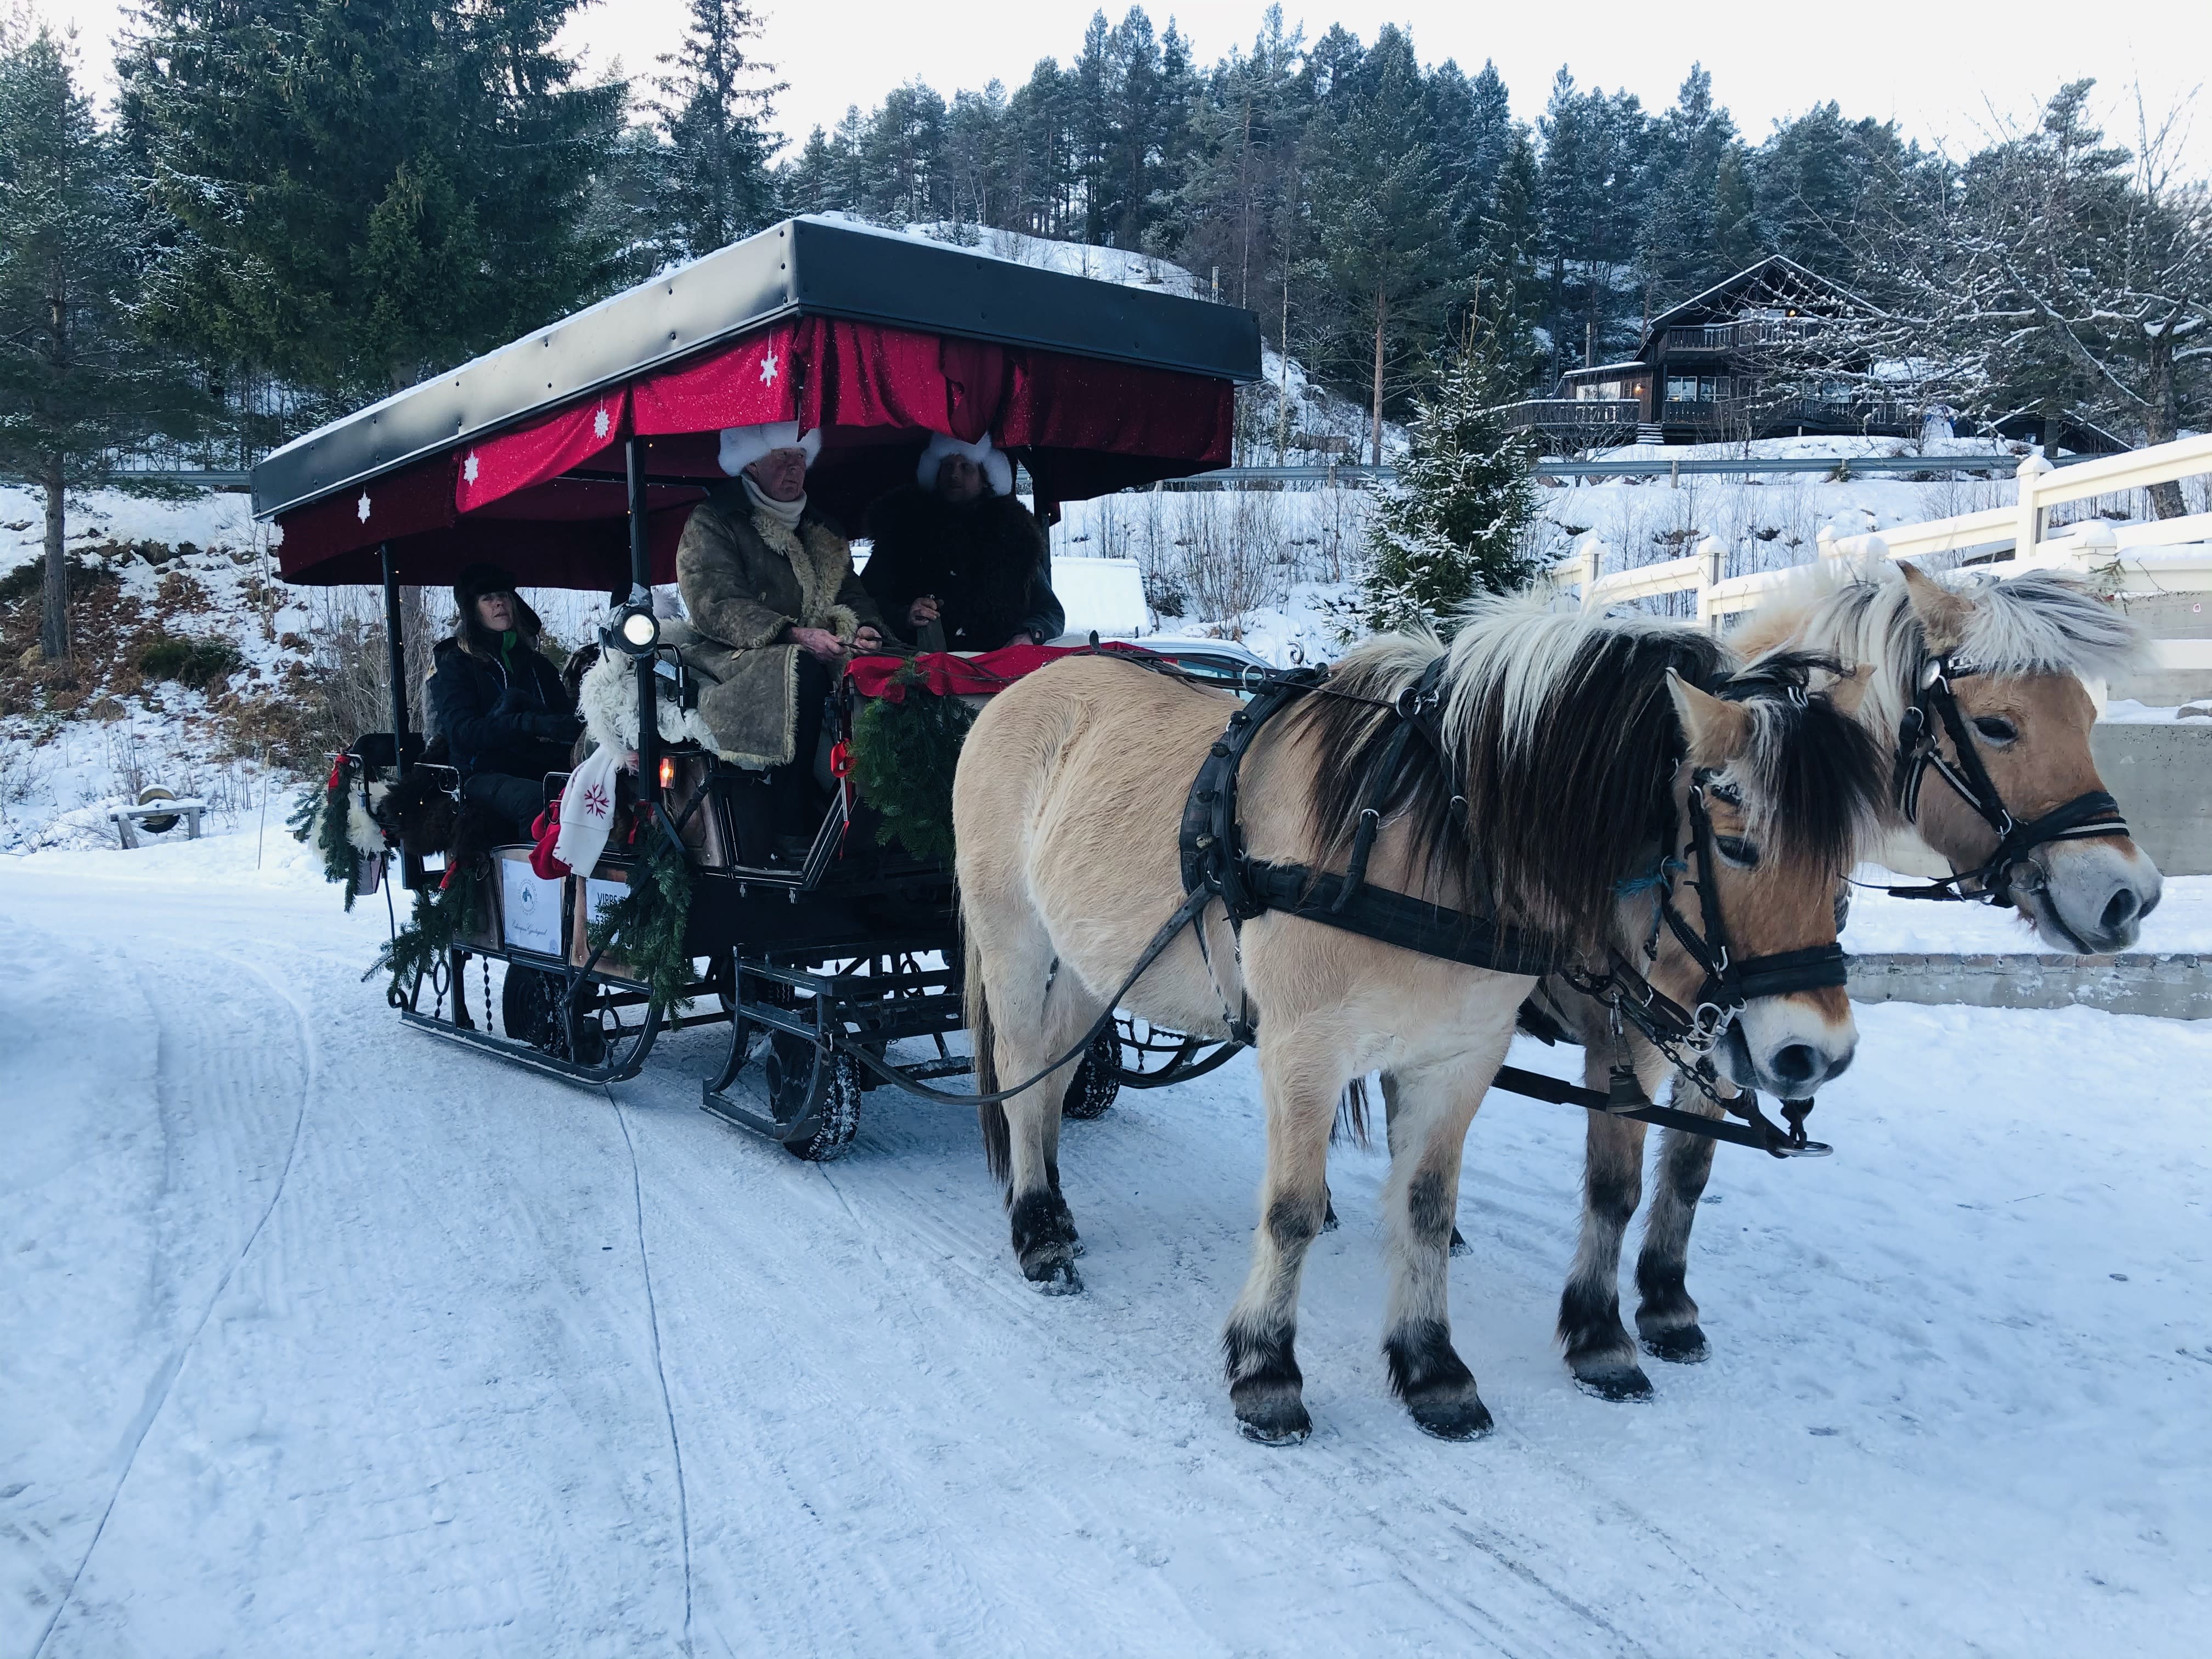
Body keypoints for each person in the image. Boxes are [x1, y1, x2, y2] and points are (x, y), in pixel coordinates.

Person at [676, 421, 888, 855]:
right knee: (800, 673)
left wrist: (866, 628)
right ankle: (792, 825)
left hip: (824, 643)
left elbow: (852, 593)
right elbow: (714, 604)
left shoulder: (821, 527)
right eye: (782, 458)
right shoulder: (715, 521)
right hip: (734, 655)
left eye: (800, 458)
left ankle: (878, 814)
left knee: (893, 671)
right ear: (751, 463)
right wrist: (792, 634)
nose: (795, 468)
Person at [862, 432, 1064, 653]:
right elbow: (866, 602)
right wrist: (905, 615)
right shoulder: (902, 528)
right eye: (948, 466)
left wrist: (1029, 634)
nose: (955, 475)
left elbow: (1051, 612)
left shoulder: (1013, 536)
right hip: (917, 666)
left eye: (965, 467)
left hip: (995, 670)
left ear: (985, 477)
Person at [427, 563, 583, 840]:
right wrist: (528, 724)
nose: (499, 603)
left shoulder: (538, 666)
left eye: (504, 596)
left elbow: (565, 718)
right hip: (478, 773)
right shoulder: (457, 665)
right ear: (473, 611)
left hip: (536, 762)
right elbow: (462, 733)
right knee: (535, 800)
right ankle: (537, 881)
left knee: (599, 788)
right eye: (487, 598)